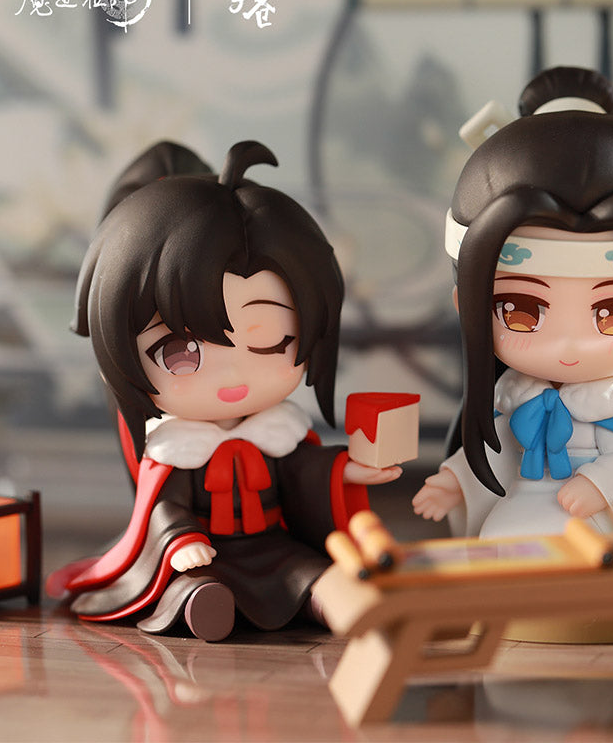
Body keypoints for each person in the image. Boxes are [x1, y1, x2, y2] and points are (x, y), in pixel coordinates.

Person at [49, 140, 399, 640]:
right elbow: (165, 506)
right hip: (203, 548)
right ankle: (204, 605)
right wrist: (180, 539)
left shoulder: (279, 433)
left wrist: (346, 469)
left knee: (310, 574)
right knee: (193, 584)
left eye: (273, 342)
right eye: (180, 353)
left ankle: (344, 609)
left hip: (273, 544)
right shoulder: (176, 449)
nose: (234, 377)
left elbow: (303, 472)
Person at [413, 67, 613, 538]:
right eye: (521, 310)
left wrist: (602, 485)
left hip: (598, 520)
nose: (569, 343)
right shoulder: (513, 397)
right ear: (468, 306)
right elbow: (499, 453)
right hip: (519, 512)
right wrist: (454, 481)